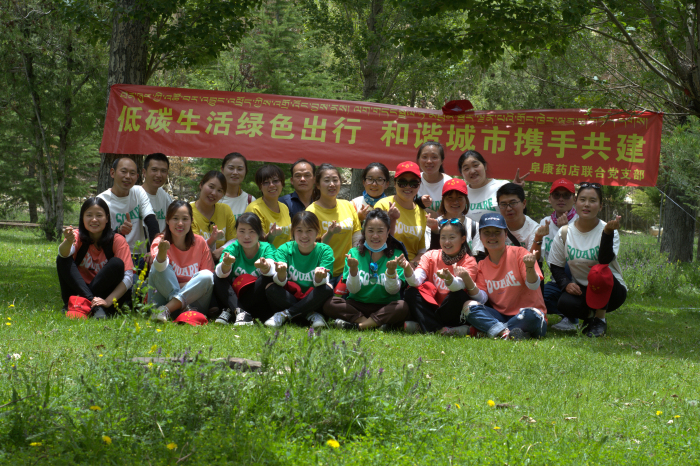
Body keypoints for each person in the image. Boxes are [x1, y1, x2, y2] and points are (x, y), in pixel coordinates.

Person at [547, 182, 627, 337]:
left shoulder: (608, 230)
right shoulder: (565, 232)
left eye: (593, 201)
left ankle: (600, 320)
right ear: (575, 202)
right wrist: (566, 284)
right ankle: (590, 318)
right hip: (583, 288)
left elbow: (604, 260)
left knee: (598, 271)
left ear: (600, 206)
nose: (587, 205)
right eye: (582, 200)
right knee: (564, 303)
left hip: (611, 290)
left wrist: (607, 233)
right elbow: (555, 265)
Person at [462, 213, 547, 339]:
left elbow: (533, 286)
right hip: (501, 316)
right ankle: (509, 333)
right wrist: (467, 280)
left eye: (497, 232)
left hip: (526, 315)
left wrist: (530, 267)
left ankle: (494, 330)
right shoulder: (482, 265)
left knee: (533, 314)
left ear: (506, 234)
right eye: (487, 232)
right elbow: (482, 298)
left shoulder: (520, 253)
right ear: (480, 236)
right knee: (469, 306)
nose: (492, 236)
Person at [323, 209, 410, 330]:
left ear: (388, 232)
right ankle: (373, 324)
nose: (375, 236)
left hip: (385, 307)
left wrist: (391, 273)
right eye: (370, 231)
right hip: (357, 305)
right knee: (330, 303)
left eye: (380, 231)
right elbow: (353, 290)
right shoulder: (353, 253)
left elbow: (393, 291)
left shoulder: (397, 255)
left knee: (402, 307)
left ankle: (358, 326)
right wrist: (353, 270)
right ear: (364, 232)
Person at [56, 197, 133, 319]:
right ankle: (93, 306)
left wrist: (107, 301)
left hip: (105, 298)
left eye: (99, 215)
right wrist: (68, 242)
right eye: (89, 215)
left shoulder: (117, 240)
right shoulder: (76, 236)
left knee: (117, 263)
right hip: (78, 291)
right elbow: (63, 254)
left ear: (107, 218)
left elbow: (128, 277)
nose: (94, 219)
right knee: (62, 259)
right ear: (82, 218)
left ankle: (82, 305)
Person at [403, 218, 483, 335]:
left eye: (452, 237)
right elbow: (416, 281)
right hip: (432, 308)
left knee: (459, 295)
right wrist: (407, 269)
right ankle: (442, 329)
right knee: (411, 292)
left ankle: (425, 325)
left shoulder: (469, 261)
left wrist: (449, 279)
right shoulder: (430, 255)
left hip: (451, 309)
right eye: (443, 237)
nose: (447, 242)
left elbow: (459, 286)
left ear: (462, 239)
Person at [264, 212, 335, 329]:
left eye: (309, 230)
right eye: (299, 231)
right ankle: (310, 314)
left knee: (327, 288)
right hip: (291, 296)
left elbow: (324, 282)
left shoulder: (325, 250)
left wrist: (319, 277)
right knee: (271, 288)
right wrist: (281, 273)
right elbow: (280, 282)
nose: (304, 235)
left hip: (313, 297)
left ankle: (285, 314)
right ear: (293, 232)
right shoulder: (284, 249)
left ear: (317, 231)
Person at [148, 201, 216, 322]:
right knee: (158, 266)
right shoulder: (160, 241)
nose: (180, 223)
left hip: (193, 305)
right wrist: (162, 252)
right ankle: (174, 308)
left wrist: (177, 288)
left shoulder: (200, 242)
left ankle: (167, 309)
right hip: (164, 300)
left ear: (191, 221)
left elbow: (207, 280)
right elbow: (158, 272)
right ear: (167, 220)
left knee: (207, 276)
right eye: (175, 218)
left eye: (185, 219)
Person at [212, 212, 278, 325]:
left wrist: (266, 266)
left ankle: (233, 310)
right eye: (242, 231)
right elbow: (220, 272)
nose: (246, 236)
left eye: (251, 231)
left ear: (259, 232)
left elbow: (273, 269)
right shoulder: (233, 248)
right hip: (234, 295)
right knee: (217, 275)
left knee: (268, 277)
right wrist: (226, 265)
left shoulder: (267, 248)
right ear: (236, 232)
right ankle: (240, 312)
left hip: (256, 301)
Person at [531, 178, 579, 331]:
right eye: (556, 195)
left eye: (566, 195)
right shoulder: (545, 222)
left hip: (579, 280)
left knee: (567, 266)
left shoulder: (581, 221)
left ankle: (573, 318)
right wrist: (538, 239)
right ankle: (573, 311)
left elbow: (576, 257)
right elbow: (538, 258)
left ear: (574, 199)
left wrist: (565, 231)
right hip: (557, 280)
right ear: (550, 199)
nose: (561, 199)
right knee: (537, 300)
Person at [306, 164, 362, 285]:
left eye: (335, 180)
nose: (332, 184)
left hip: (347, 271)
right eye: (327, 180)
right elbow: (310, 247)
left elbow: (357, 237)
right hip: (323, 271)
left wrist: (355, 262)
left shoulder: (347, 205)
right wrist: (330, 233)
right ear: (318, 185)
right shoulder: (311, 212)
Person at [97, 157, 160, 265]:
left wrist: (154, 250)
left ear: (137, 177)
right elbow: (99, 237)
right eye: (123, 171)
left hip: (140, 256)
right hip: (114, 255)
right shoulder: (102, 201)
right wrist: (119, 231)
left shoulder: (138, 192)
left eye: (132, 173)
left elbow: (151, 220)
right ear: (112, 173)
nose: (128, 176)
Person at [375, 161, 429, 265]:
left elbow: (421, 250)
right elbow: (373, 240)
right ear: (394, 183)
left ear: (419, 185)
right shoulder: (382, 205)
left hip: (411, 267)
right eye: (402, 182)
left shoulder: (422, 213)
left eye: (413, 183)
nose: (408, 187)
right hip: (385, 264)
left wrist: (411, 266)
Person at [458, 150, 529, 223]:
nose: (472, 171)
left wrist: (514, 190)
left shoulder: (502, 186)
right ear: (462, 173)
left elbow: (519, 212)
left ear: (485, 166)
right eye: (466, 169)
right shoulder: (461, 194)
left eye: (475, 165)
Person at [190, 171, 237, 260]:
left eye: (219, 190)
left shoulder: (225, 210)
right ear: (201, 185)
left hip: (224, 263)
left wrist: (221, 250)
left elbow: (234, 240)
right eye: (211, 187)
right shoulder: (188, 211)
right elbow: (194, 246)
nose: (214, 193)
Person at [427, 178, 482, 254]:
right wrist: (435, 232)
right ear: (443, 200)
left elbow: (477, 256)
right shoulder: (433, 225)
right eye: (450, 198)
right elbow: (429, 254)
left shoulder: (475, 227)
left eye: (460, 198)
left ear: (466, 200)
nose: (455, 202)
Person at [245, 164, 292, 248]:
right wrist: (270, 236)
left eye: (275, 181)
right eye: (266, 182)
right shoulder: (254, 209)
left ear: (282, 183)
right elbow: (255, 244)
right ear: (260, 187)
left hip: (284, 255)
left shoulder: (284, 207)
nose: (271, 185)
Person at [496, 183, 539, 251]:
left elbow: (532, 257)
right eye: (503, 204)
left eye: (513, 203)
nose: (508, 209)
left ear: (524, 203)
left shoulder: (534, 230)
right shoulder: (495, 226)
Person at [137, 153, 173, 232]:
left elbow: (173, 220)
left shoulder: (164, 196)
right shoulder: (134, 194)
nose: (159, 175)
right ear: (144, 172)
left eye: (163, 171)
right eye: (154, 170)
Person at [416, 141, 451, 216]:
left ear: (442, 160)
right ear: (419, 159)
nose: (429, 161)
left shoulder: (449, 183)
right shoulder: (413, 181)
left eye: (434, 157)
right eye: (424, 157)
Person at [219, 152, 255, 220]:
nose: (235, 172)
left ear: (245, 171)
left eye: (240, 169)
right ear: (222, 170)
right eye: (231, 168)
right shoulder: (214, 198)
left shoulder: (250, 201)